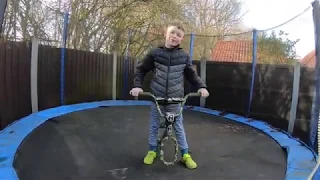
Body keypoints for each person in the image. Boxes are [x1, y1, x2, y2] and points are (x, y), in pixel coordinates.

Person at [129, 22, 209, 169]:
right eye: (172, 32)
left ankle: (185, 154)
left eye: (179, 35)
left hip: (175, 99)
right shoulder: (155, 53)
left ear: (181, 39)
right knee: (154, 125)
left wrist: (202, 87)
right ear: (165, 33)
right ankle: (152, 150)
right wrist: (137, 86)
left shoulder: (184, 56)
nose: (175, 36)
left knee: (178, 126)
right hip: (157, 98)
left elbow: (192, 74)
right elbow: (141, 70)